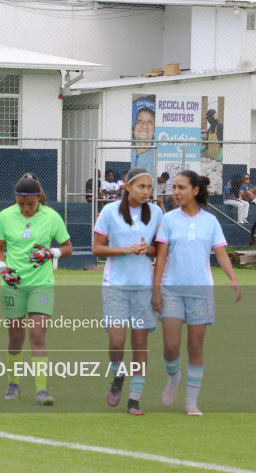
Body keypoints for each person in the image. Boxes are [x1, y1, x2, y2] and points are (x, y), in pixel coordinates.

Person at [152, 170, 241, 416]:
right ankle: (174, 377)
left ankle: (191, 402)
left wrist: (232, 278)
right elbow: (161, 257)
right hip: (171, 291)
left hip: (201, 292)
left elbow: (221, 253)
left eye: (181, 187)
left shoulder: (210, 222)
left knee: (195, 347)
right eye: (174, 187)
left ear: (195, 190)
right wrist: (156, 289)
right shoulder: (168, 219)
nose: (176, 192)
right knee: (170, 346)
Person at [0, 176, 73, 405]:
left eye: (30, 204)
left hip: (41, 284)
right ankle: (13, 383)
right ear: (16, 199)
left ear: (39, 197)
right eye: (21, 204)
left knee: (37, 336)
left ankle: (41, 391)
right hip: (13, 285)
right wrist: (2, 268)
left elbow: (67, 247)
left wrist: (51, 253)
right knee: (16, 338)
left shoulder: (52, 217)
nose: (26, 208)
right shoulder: (5, 216)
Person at [92, 168, 162, 415]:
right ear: (127, 186)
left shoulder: (156, 212)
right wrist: (125, 249)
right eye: (141, 186)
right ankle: (118, 375)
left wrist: (148, 249)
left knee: (140, 344)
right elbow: (97, 248)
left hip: (143, 287)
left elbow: (159, 249)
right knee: (116, 342)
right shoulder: (110, 211)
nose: (146, 192)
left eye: (149, 187)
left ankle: (134, 400)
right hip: (115, 285)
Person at [131, 100, 156, 178]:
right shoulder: (125, 152)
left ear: (154, 131)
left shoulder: (158, 155)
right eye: (140, 120)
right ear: (132, 129)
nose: (145, 125)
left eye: (150, 121)